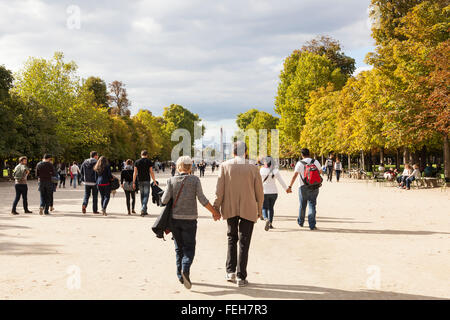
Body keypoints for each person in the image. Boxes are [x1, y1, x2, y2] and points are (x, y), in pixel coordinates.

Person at [161, 156, 220, 289]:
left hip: (175, 219)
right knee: (189, 247)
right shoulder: (195, 180)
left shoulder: (171, 180)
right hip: (190, 219)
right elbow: (202, 199)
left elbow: (164, 201)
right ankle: (185, 269)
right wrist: (214, 212)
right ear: (190, 167)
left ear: (179, 167)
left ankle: (180, 276)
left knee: (178, 247)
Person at [213, 141, 264, 287]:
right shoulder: (253, 168)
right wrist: (259, 209)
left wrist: (216, 207)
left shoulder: (224, 166)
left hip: (230, 206)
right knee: (244, 241)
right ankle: (241, 276)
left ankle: (230, 272)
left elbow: (219, 189)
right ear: (245, 152)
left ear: (233, 152)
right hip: (248, 207)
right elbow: (259, 192)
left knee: (231, 238)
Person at [287, 148, 323, 230]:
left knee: (302, 205)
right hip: (314, 186)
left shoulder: (299, 163)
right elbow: (320, 172)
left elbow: (295, 175)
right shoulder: (315, 162)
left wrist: (290, 186)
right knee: (312, 204)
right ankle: (312, 225)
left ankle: (301, 222)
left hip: (303, 186)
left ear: (302, 155)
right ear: (309, 154)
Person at [259, 156, 289, 231]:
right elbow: (281, 181)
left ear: (265, 162)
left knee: (264, 207)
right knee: (271, 208)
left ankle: (266, 219)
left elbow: (257, 182)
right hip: (274, 192)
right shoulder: (275, 171)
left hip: (264, 192)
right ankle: (271, 224)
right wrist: (286, 189)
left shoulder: (261, 170)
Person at [133, 150, 158, 217]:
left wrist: (133, 182)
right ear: (147, 155)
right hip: (147, 180)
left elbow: (135, 173)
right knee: (146, 195)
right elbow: (151, 172)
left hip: (139, 180)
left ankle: (144, 211)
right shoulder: (149, 161)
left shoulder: (137, 162)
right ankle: (143, 208)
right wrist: (154, 180)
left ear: (141, 154)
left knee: (142, 195)